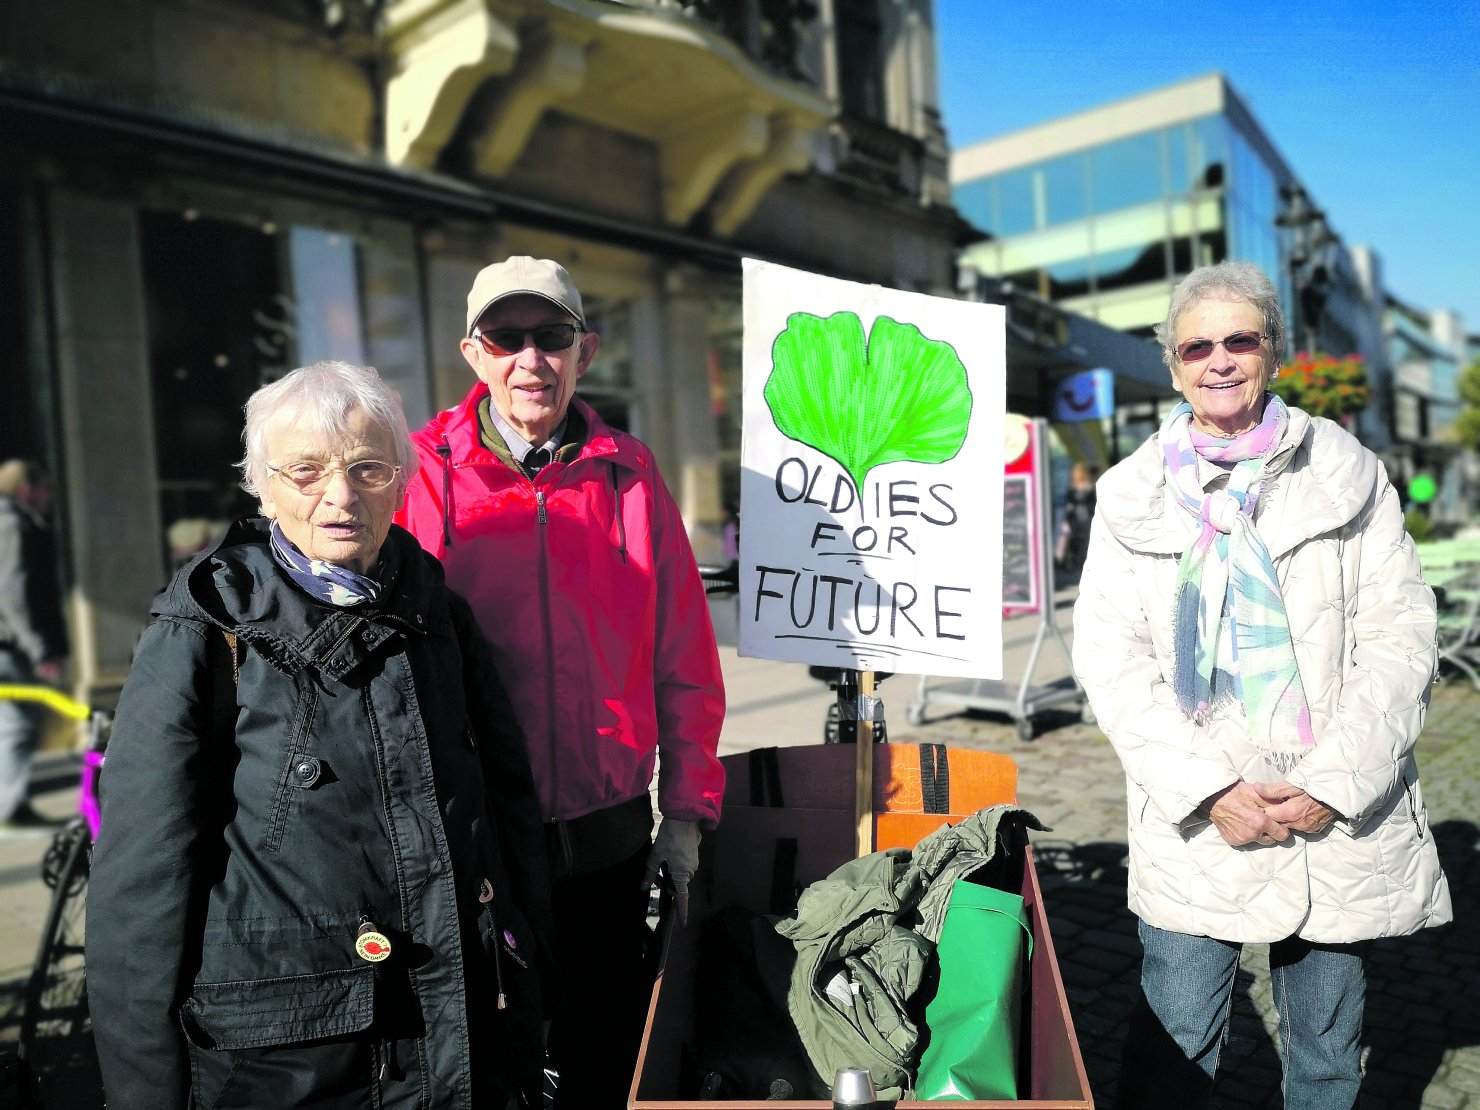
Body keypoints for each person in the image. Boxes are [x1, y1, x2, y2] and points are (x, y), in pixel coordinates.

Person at [87, 362, 551, 1110]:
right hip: (289, 1059)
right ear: (262, 485)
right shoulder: (207, 623)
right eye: (305, 471)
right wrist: (142, 1091)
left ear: (401, 480)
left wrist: (531, 983)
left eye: (368, 468)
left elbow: (508, 810)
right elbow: (142, 877)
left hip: (461, 1035)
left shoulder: (438, 611)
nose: (340, 497)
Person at [1072, 261, 1451, 1110]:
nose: (1219, 359)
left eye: (1239, 339)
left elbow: (1400, 635)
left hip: (1331, 820)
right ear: (1172, 366)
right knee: (1172, 1052)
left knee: (1326, 1054)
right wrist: (1208, 789)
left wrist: (1331, 785)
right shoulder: (1130, 494)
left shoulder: (1348, 472)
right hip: (1198, 818)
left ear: (1272, 351)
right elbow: (1110, 656)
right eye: (1196, 345)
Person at [395, 255, 725, 1109]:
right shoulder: (419, 471)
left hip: (606, 827)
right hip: (477, 825)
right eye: (507, 338)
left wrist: (687, 813)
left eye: (551, 337)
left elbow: (683, 654)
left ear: (586, 352)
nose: (529, 359)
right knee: (489, 1048)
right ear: (475, 353)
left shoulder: (632, 473)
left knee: (605, 1044)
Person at [0, 459, 69, 834]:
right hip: (8, 648)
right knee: (17, 724)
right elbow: (14, 594)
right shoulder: (12, 523)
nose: (49, 498)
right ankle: (9, 811)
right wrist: (40, 647)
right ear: (26, 488)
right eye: (45, 489)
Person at [1054, 461, 1097, 585]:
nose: (1076, 476)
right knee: (1076, 550)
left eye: (1078, 474)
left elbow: (1092, 505)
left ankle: (1086, 575)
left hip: (1087, 524)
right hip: (1075, 525)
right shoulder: (1072, 491)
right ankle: (1079, 574)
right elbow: (1069, 508)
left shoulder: (1090, 488)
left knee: (1086, 549)